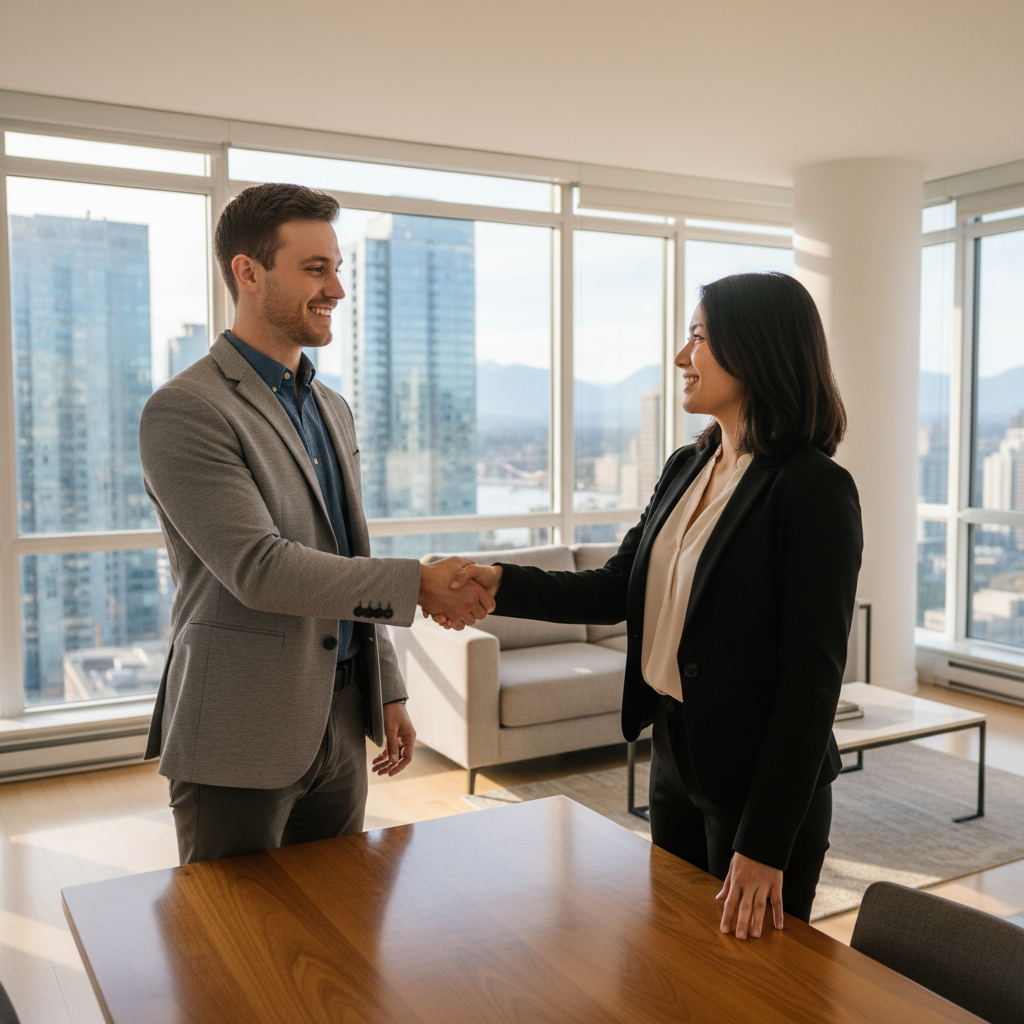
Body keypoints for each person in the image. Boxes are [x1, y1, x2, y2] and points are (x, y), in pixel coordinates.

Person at [444, 272, 862, 938]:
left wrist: (763, 843)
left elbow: (811, 681)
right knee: (671, 948)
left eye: (697, 336)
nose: (680, 357)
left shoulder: (814, 491)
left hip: (758, 782)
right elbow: (615, 587)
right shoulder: (685, 467)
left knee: (754, 985)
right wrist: (498, 579)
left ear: (753, 349)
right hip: (675, 754)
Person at [139, 183, 493, 865]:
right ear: (248, 272)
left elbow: (349, 554)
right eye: (315, 269)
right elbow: (259, 568)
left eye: (338, 269)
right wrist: (420, 583)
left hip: (341, 720)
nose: (337, 288)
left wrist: (386, 687)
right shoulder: (186, 409)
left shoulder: (330, 406)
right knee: (234, 948)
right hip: (241, 730)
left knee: (340, 938)